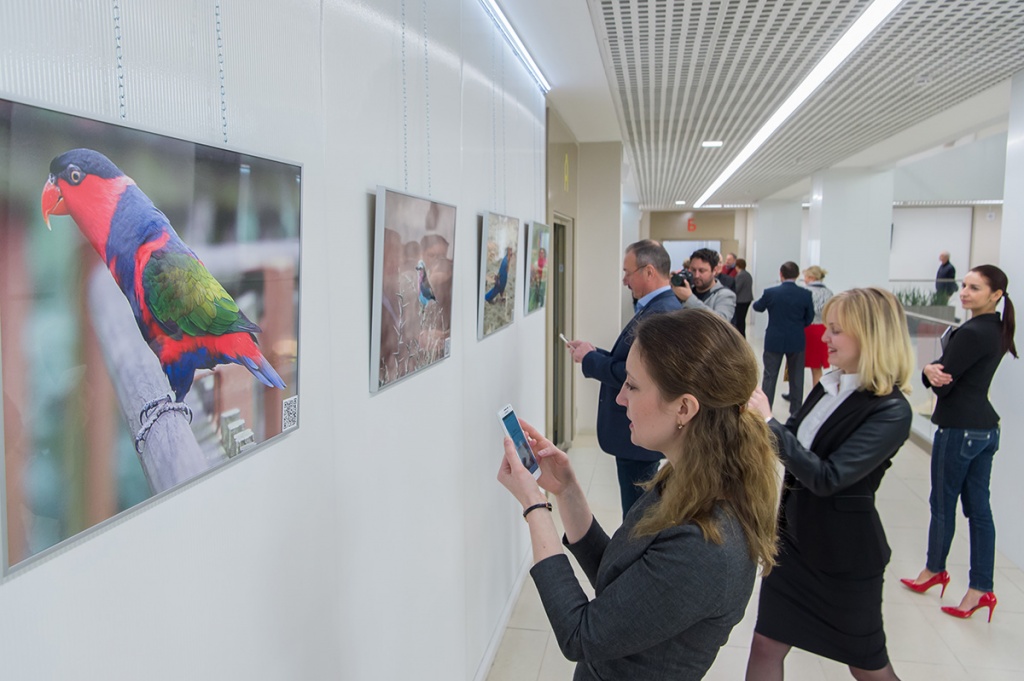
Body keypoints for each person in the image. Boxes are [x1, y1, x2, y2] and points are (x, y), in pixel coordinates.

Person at [499, 309, 780, 680]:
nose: (619, 399)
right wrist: (566, 490)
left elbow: (580, 635)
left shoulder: (706, 545)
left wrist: (535, 507)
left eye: (632, 385)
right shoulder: (687, 480)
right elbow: (624, 583)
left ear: (684, 407)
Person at [745, 287, 915, 681]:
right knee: (765, 644)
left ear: (870, 336)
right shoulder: (829, 385)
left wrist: (769, 422)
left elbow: (827, 477)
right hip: (793, 544)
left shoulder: (891, 411)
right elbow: (796, 439)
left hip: (844, 559)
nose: (824, 338)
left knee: (868, 665)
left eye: (836, 331)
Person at [901, 265, 1017, 622]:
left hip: (959, 428)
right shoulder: (997, 328)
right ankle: (981, 589)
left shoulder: (971, 332)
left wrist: (927, 371)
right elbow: (945, 371)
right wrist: (933, 369)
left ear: (996, 294)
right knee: (980, 510)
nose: (965, 292)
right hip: (985, 428)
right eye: (964, 286)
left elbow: (943, 383)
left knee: (943, 503)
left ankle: (933, 571)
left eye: (975, 288)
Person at [566, 240, 682, 516]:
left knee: (636, 514)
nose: (624, 280)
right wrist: (596, 353)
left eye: (628, 273)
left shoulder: (660, 314)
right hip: (636, 433)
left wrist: (591, 360)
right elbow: (633, 362)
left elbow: (638, 377)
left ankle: (632, 557)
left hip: (638, 435)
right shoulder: (657, 307)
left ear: (649, 271)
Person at [752, 261, 814, 414]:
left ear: (781, 274)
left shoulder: (771, 293)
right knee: (797, 377)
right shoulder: (805, 294)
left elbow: (757, 307)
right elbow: (809, 318)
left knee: (770, 377)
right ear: (798, 275)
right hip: (796, 339)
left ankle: (765, 412)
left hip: (774, 339)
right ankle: (796, 412)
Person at [672, 248, 736, 322]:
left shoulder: (725, 295)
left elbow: (721, 322)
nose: (696, 275)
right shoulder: (688, 290)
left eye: (702, 271)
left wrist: (689, 299)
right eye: (693, 270)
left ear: (714, 271)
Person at [802, 266, 834, 388]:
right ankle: (816, 393)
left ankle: (793, 392)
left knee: (796, 364)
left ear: (811, 277)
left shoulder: (805, 291)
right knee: (817, 366)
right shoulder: (829, 292)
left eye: (805, 276)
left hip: (807, 328)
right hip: (822, 329)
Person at [733, 258, 754, 337]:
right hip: (747, 299)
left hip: (741, 301)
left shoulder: (741, 275)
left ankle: (741, 336)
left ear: (737, 266)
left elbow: (736, 288)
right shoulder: (748, 274)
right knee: (742, 320)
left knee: (739, 321)